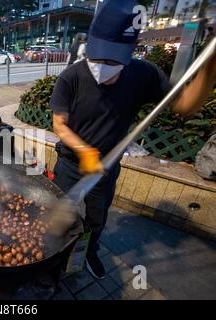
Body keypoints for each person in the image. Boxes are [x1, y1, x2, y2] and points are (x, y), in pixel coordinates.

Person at [50, 0, 216, 280]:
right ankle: (53, 255)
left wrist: (211, 65)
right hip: (70, 161)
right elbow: (59, 124)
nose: (104, 67)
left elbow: (186, 106)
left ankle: (88, 253)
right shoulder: (72, 77)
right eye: (99, 58)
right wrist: (84, 150)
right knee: (59, 211)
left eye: (113, 60)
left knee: (97, 218)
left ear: (129, 51)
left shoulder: (143, 74)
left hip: (106, 166)